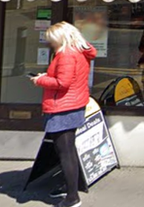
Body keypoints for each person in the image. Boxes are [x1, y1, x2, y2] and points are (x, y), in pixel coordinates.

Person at [31, 21, 97, 207]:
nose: (50, 43)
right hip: (74, 104)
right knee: (68, 150)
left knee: (65, 152)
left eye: (52, 39)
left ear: (61, 37)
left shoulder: (67, 54)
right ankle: (69, 186)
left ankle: (72, 197)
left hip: (63, 107)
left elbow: (63, 83)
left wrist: (41, 80)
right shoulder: (79, 51)